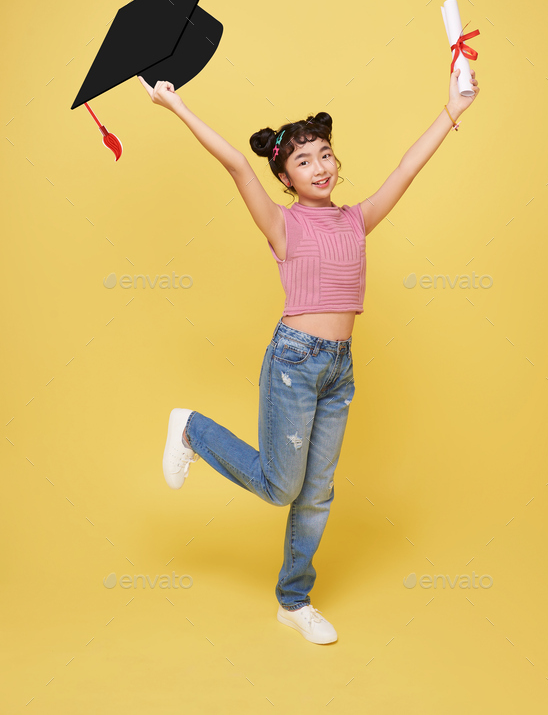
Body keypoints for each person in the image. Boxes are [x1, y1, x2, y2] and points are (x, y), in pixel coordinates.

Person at [138, 66, 480, 644]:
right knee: (281, 488)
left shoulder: (357, 220)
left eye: (324, 154)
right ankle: (192, 429)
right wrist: (176, 106)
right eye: (303, 161)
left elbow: (406, 169)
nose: (319, 166)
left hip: (339, 369)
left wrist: (454, 108)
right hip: (295, 363)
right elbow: (236, 164)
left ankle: (294, 601)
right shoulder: (282, 226)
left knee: (316, 493)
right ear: (285, 177)